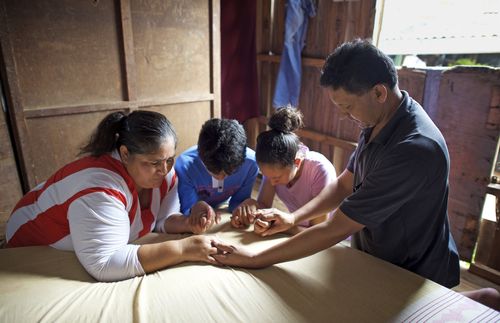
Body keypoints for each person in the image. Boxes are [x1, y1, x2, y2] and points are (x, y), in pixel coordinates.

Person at [213, 39, 461, 288]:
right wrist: (293, 218)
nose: (344, 114)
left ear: (379, 92)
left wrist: (256, 258)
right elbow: (344, 185)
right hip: (378, 258)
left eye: (347, 106)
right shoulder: (378, 121)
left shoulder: (413, 148)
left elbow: (337, 227)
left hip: (417, 272)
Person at [5, 111, 220, 282]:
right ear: (125, 154)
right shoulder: (99, 189)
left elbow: (162, 219)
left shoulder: (165, 174)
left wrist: (188, 222)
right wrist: (182, 248)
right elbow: (104, 264)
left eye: (170, 159)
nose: (164, 170)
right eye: (154, 162)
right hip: (30, 234)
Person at [231, 107, 337, 235]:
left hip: (331, 237)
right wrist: (252, 208)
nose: (273, 183)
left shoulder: (319, 171)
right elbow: (264, 204)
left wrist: (280, 225)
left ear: (297, 162)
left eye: (277, 178)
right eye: (267, 177)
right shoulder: (274, 169)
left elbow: (318, 232)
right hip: (297, 227)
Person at [174, 118, 259, 233]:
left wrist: (242, 211)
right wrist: (198, 211)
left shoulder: (251, 163)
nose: (221, 178)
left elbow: (237, 203)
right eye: (212, 171)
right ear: (201, 156)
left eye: (229, 172)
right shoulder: (184, 166)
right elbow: (189, 209)